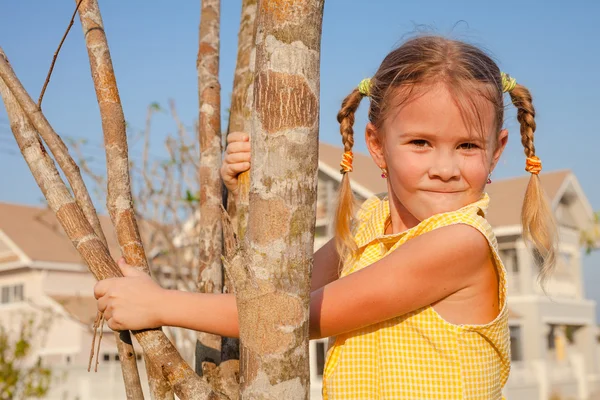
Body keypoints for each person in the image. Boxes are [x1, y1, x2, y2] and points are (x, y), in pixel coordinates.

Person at [94, 35, 556, 399]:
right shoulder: (368, 227)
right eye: (420, 143)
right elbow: (278, 287)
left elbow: (289, 318)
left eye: (467, 146)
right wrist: (252, 189)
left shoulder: (460, 243)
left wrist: (157, 304)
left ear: (496, 151)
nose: (445, 166)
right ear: (376, 145)